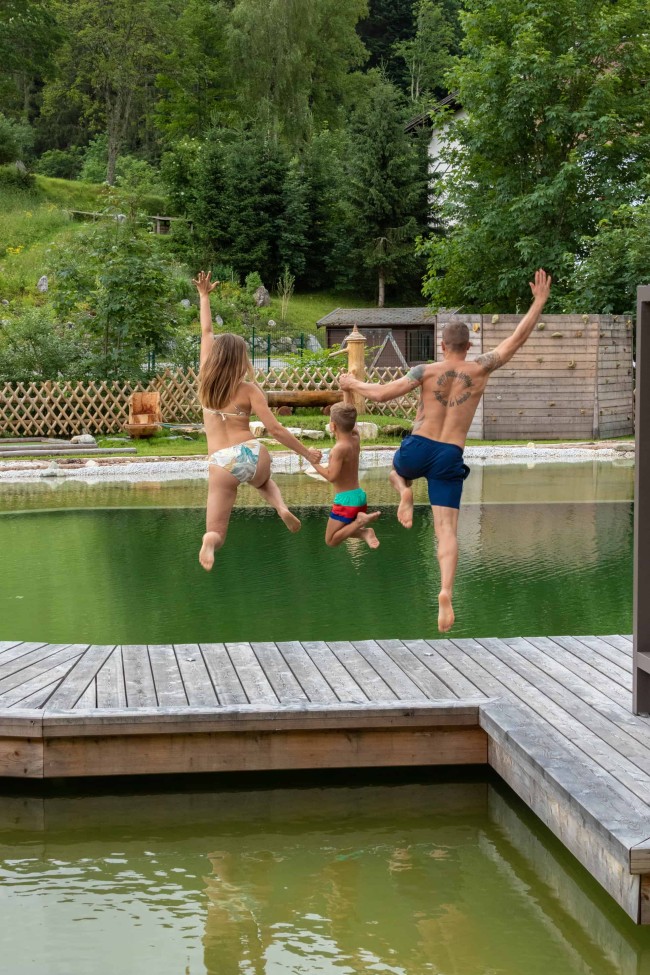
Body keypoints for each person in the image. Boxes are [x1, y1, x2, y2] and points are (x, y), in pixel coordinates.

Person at [340, 268, 553, 631]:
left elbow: (378, 395)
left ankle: (404, 491)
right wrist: (538, 302)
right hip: (450, 453)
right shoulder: (481, 368)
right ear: (468, 346)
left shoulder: (424, 371)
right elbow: (516, 340)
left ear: (442, 345)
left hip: (419, 446)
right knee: (447, 531)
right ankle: (446, 593)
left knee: (396, 470)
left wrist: (352, 381)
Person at [193, 271, 322, 571]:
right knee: (262, 480)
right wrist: (307, 454)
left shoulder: (204, 381)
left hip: (220, 463)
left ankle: (209, 544)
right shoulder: (249, 390)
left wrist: (204, 296)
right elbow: (275, 429)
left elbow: (206, 333)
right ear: (241, 360)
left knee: (216, 531)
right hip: (250, 453)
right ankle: (280, 507)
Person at [311, 401, 381, 549]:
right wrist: (346, 391)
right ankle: (364, 532)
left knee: (330, 540)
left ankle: (360, 523)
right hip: (359, 496)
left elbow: (332, 477)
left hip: (346, 501)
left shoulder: (339, 449)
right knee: (342, 531)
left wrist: (314, 463)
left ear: (333, 426)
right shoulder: (355, 438)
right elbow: (349, 416)